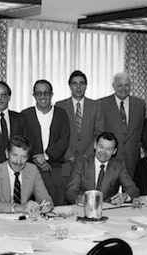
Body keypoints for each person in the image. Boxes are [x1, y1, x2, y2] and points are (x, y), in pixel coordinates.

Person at [21, 79, 70, 205]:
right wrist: (36, 158)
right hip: (30, 168)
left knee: (55, 206)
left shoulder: (61, 114)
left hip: (54, 168)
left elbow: (64, 139)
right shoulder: (25, 115)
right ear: (34, 95)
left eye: (46, 93)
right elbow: (23, 141)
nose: (43, 96)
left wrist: (46, 156)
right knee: (32, 208)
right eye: (39, 93)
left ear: (51, 94)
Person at [55, 70, 104, 198]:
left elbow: (99, 133)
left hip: (88, 163)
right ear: (69, 86)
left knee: (86, 199)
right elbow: (56, 135)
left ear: (86, 86)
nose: (78, 86)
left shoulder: (95, 105)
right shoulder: (59, 106)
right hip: (66, 163)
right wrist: (69, 155)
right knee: (64, 198)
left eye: (81, 83)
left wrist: (86, 156)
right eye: (74, 83)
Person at [66, 132, 139, 205]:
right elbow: (70, 191)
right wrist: (80, 199)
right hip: (83, 209)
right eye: (101, 147)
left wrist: (124, 197)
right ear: (95, 145)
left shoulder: (118, 166)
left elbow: (133, 189)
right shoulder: (81, 163)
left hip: (108, 210)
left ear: (114, 151)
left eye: (109, 149)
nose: (103, 152)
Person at [0, 135, 54, 213]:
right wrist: (19, 208)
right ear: (7, 154)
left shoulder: (32, 170)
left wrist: (47, 204)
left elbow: (43, 196)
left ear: (28, 157)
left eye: (23, 157)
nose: (19, 161)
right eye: (15, 155)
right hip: (0, 220)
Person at [98, 72, 146, 178]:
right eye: (120, 85)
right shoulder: (101, 104)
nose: (123, 88)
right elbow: (99, 132)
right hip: (110, 159)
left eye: (126, 85)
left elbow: (141, 131)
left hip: (132, 160)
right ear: (113, 86)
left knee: (131, 191)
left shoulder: (140, 104)